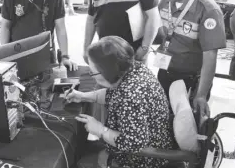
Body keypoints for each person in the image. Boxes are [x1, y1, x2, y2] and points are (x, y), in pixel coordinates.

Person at [65, 36, 173, 168]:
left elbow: (134, 144)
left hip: (142, 160)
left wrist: (100, 130)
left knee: (78, 161)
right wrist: (83, 96)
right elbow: (113, 94)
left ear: (107, 72)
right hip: (147, 141)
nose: (90, 74)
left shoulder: (131, 96)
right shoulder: (133, 69)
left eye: (92, 72)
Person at [157, 0, 226, 116]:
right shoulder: (165, 1)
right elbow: (163, 33)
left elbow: (210, 57)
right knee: (163, 122)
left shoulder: (208, 11)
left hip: (191, 80)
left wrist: (201, 94)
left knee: (186, 129)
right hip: (165, 72)